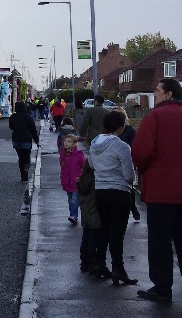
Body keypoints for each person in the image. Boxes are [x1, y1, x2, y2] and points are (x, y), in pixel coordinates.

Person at [132, 78, 182, 303]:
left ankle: (162, 288)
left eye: (158, 91)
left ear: (169, 94)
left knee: (160, 242)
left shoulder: (155, 117)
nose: (155, 94)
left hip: (162, 191)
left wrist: (143, 171)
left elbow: (141, 151)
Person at [89, 110, 138, 285]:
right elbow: (129, 175)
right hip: (119, 192)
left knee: (103, 229)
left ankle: (98, 264)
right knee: (117, 232)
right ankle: (118, 268)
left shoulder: (95, 143)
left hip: (100, 191)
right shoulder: (122, 146)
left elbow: (91, 164)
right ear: (121, 126)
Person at [111, 106, 141, 222]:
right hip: (112, 163)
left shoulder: (129, 130)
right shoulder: (108, 130)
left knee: (129, 188)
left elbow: (134, 146)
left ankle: (133, 208)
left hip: (126, 161)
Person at [77, 163, 108, 275]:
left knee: (86, 237)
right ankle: (91, 263)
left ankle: (84, 261)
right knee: (93, 240)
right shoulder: (95, 181)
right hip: (95, 214)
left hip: (85, 215)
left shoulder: (83, 180)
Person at [8, 101, 39, 181]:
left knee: (20, 157)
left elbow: (11, 127)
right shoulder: (28, 117)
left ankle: (23, 174)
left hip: (16, 139)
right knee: (26, 156)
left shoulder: (12, 116)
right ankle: (26, 168)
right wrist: (37, 141)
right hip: (26, 139)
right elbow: (33, 130)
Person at [60, 133, 85, 224]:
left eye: (69, 142)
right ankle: (73, 213)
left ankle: (73, 215)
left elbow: (84, 167)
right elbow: (62, 166)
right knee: (70, 200)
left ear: (75, 144)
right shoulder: (64, 155)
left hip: (76, 181)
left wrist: (81, 176)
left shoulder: (79, 155)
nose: (66, 143)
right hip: (67, 181)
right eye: (65, 141)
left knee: (74, 199)